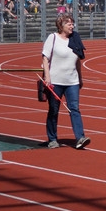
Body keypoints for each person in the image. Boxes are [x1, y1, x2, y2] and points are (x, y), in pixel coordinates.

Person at [41, 14, 90, 149]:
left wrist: (80, 78)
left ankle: (80, 137)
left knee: (74, 108)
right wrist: (47, 77)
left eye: (73, 24)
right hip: (55, 81)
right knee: (54, 110)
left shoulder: (75, 39)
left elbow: (78, 60)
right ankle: (52, 138)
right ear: (61, 25)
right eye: (69, 24)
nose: (72, 26)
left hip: (72, 81)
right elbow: (45, 58)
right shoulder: (53, 38)